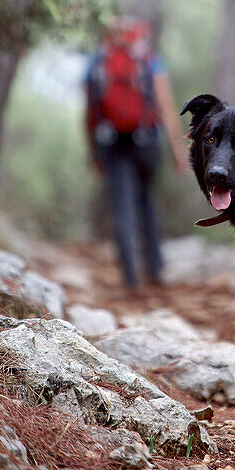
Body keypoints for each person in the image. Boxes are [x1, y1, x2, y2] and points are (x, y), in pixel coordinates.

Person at [85, 18, 187, 290]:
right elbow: (164, 104)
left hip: (111, 141)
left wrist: (93, 151)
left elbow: (89, 113)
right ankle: (155, 269)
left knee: (121, 205)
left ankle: (129, 276)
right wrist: (177, 149)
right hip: (146, 140)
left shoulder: (97, 62)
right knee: (146, 200)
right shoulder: (150, 60)